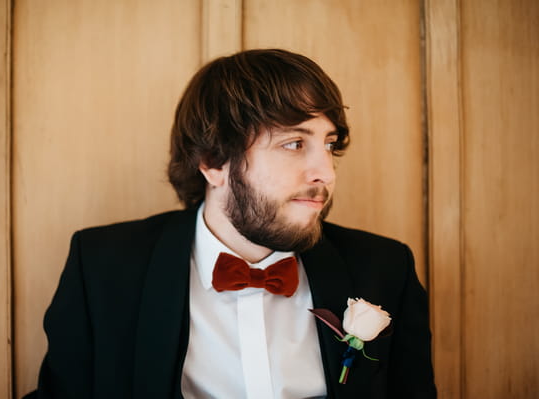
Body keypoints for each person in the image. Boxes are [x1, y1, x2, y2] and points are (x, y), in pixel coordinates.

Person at [24, 49, 436, 399]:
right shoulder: (103, 268)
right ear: (213, 162)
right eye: (294, 143)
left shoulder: (384, 268)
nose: (325, 173)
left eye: (328, 145)